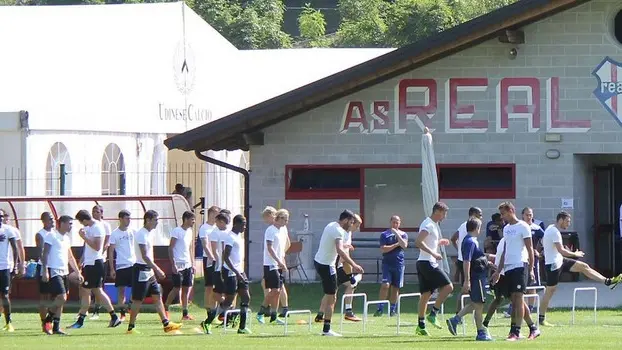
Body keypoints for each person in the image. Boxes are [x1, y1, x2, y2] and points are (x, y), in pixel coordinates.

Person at [539, 211, 622, 326]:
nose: (568, 224)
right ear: (561, 220)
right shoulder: (554, 232)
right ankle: (541, 318)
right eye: (567, 221)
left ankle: (608, 281)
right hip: (553, 265)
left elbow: (546, 243)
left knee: (584, 267)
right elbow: (561, 250)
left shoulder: (551, 228)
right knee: (549, 292)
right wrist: (575, 254)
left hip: (560, 261)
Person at [127, 210, 182, 334]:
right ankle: (131, 327)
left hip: (149, 270)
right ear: (148, 220)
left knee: (157, 297)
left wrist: (153, 270)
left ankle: (166, 323)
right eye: (156, 220)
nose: (157, 223)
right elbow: (145, 256)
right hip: (141, 269)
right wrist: (157, 269)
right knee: (137, 300)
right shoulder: (141, 234)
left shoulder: (149, 233)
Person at [491, 201, 539, 341]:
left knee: (518, 299)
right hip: (508, 267)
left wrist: (530, 269)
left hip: (520, 265)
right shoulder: (506, 228)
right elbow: (505, 250)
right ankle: (533, 328)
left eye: (503, 213)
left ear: (511, 210)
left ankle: (515, 332)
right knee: (516, 300)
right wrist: (498, 271)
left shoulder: (523, 226)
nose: (502, 216)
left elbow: (530, 249)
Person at [313, 210, 364, 337]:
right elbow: (340, 250)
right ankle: (326, 329)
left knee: (331, 293)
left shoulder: (331, 225)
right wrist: (354, 265)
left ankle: (321, 316)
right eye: (351, 222)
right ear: (346, 220)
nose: (351, 225)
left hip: (320, 262)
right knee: (332, 297)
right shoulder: (339, 231)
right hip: (327, 265)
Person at [70, 210, 120, 329]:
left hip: (95, 264)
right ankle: (113, 317)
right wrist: (81, 262)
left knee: (88, 291)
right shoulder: (89, 228)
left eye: (81, 222)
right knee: (94, 291)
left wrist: (84, 237)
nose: (82, 225)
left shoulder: (97, 227)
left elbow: (97, 247)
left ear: (85, 220)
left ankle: (81, 320)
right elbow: (87, 248)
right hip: (89, 263)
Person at [446, 217, 492, 341]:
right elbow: (467, 261)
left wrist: (488, 261)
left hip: (477, 276)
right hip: (476, 277)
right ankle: (481, 332)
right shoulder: (471, 241)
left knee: (475, 303)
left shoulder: (469, 240)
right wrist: (467, 280)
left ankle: (455, 320)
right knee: (479, 304)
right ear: (476, 228)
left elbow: (476, 257)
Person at [206, 214, 252, 334]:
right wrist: (237, 273)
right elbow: (226, 257)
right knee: (228, 301)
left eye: (245, 225)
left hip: (239, 271)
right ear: (236, 224)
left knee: (246, 297)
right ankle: (207, 321)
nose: (245, 227)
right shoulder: (230, 237)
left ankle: (242, 327)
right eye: (243, 224)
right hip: (230, 272)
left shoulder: (238, 237)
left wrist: (240, 271)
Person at [414, 202, 453, 336]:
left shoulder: (433, 225)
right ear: (438, 211)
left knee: (425, 294)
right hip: (427, 262)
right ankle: (433, 313)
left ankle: (420, 325)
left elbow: (428, 241)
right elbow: (418, 242)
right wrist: (434, 253)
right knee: (449, 287)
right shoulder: (428, 224)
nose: (445, 216)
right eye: (444, 213)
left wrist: (439, 243)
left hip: (423, 262)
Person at [41, 215, 82, 336]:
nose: (71, 226)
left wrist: (77, 271)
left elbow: (70, 257)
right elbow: (45, 253)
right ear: (62, 223)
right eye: (69, 223)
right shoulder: (51, 235)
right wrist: (45, 270)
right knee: (62, 297)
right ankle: (48, 319)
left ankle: (56, 327)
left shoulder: (67, 238)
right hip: (54, 271)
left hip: (65, 271)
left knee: (61, 300)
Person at [257, 209, 290, 325]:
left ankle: (274, 316)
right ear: (279, 218)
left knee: (278, 290)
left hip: (279, 264)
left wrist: (283, 261)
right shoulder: (270, 230)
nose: (286, 222)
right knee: (275, 289)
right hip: (270, 264)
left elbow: (283, 248)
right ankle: (261, 311)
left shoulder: (282, 231)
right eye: (284, 220)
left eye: (287, 220)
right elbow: (270, 249)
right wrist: (278, 261)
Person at [450, 207, 483, 318]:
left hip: (466, 260)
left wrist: (460, 250)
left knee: (469, 291)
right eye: (479, 214)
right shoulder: (467, 227)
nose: (481, 217)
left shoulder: (467, 228)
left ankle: (458, 316)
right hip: (467, 262)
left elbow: (454, 239)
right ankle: (457, 316)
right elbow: (453, 238)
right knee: (466, 289)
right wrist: (461, 252)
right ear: (473, 214)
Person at [164, 211, 196, 321]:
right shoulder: (177, 231)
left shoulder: (190, 231)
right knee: (176, 288)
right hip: (178, 264)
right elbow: (170, 248)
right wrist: (173, 264)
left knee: (186, 289)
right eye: (192, 219)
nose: (193, 222)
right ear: (186, 219)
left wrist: (193, 263)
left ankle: (185, 313)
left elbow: (190, 248)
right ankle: (166, 308)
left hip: (187, 264)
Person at [374, 215, 408, 317]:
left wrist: (397, 235)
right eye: (393, 222)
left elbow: (404, 246)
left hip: (399, 264)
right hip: (387, 264)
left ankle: (392, 309)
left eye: (397, 222)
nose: (395, 224)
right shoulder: (384, 234)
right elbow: (384, 249)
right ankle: (380, 308)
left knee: (395, 287)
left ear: (400, 223)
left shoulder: (403, 234)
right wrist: (396, 245)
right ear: (390, 222)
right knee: (385, 285)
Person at [201, 211, 229, 333]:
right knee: (216, 293)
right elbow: (215, 250)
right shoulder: (214, 233)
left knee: (229, 293)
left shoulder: (229, 233)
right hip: (219, 268)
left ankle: (226, 315)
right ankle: (211, 318)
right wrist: (220, 263)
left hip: (231, 269)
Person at [107, 210, 136, 323]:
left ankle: (130, 305)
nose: (128, 220)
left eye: (129, 218)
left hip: (133, 264)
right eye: (126, 218)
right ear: (120, 219)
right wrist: (112, 268)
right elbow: (111, 251)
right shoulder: (115, 233)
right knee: (121, 291)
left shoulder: (133, 231)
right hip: (121, 265)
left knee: (137, 289)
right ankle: (122, 313)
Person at [0, 210, 25, 332]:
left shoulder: (8, 230)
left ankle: (8, 322)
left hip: (4, 267)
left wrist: (16, 266)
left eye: (1, 216)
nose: (0, 219)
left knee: (5, 295)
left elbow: (15, 248)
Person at [337, 213, 363, 322]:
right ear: (351, 223)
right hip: (336, 265)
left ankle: (320, 314)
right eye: (356, 225)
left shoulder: (349, 233)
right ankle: (348, 312)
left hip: (342, 265)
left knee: (350, 285)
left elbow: (346, 254)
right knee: (332, 291)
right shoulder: (341, 232)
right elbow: (339, 250)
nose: (357, 228)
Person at [198, 205, 220, 324]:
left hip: (218, 259)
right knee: (209, 286)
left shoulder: (217, 228)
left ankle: (215, 312)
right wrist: (212, 257)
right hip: (209, 259)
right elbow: (205, 245)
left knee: (217, 286)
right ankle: (209, 311)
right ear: (210, 214)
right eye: (215, 214)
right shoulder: (204, 228)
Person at [90, 205, 112, 320]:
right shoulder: (90, 226)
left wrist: (100, 252)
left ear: (101, 213)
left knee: (99, 286)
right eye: (93, 211)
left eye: (97, 212)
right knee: (88, 286)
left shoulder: (105, 225)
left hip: (101, 260)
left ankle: (96, 310)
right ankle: (85, 309)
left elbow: (107, 242)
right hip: (90, 261)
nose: (95, 214)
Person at [36, 212, 55, 334]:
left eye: (53, 219)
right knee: (45, 297)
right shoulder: (40, 234)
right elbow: (42, 253)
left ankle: (53, 322)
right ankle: (45, 324)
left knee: (57, 296)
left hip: (55, 268)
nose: (52, 221)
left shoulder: (56, 233)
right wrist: (44, 270)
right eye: (50, 219)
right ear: (43, 221)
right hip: (44, 268)